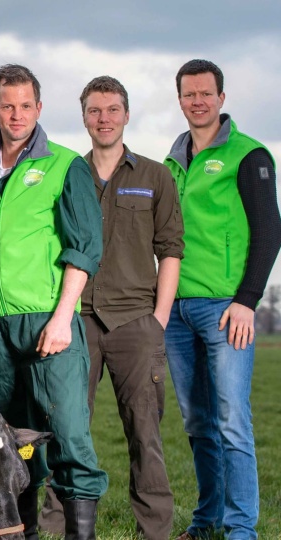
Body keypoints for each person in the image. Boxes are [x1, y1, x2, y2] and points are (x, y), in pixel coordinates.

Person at [0, 64, 108, 540]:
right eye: (7, 105)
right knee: (8, 443)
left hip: (49, 323)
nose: (17, 115)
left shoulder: (65, 164)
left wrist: (61, 319)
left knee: (70, 438)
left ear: (39, 108)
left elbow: (85, 247)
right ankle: (23, 535)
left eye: (26, 105)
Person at [38, 76, 183, 539]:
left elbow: (171, 251)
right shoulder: (64, 174)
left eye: (113, 109)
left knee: (146, 437)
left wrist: (158, 321)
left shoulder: (154, 176)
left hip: (136, 323)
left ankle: (153, 533)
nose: (104, 119)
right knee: (65, 433)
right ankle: (60, 528)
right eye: (95, 110)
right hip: (76, 323)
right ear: (84, 117)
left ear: (126, 114)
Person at [164, 59, 281, 540]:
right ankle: (207, 516)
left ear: (221, 98)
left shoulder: (249, 155)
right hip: (176, 311)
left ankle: (240, 529)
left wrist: (248, 300)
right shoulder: (172, 162)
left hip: (226, 310)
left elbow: (270, 232)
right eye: (189, 94)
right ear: (180, 100)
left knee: (233, 420)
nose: (198, 101)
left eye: (206, 94)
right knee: (197, 423)